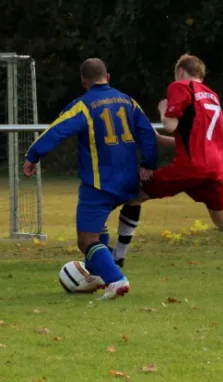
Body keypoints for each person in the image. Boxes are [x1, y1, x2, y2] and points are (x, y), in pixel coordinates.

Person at [114, 54, 223, 293]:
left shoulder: (180, 86)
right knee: (222, 219)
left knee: (134, 196)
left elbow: (171, 125)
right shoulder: (212, 96)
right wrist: (157, 140)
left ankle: (116, 264)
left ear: (181, 71)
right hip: (213, 168)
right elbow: (190, 138)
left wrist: (163, 111)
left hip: (190, 167)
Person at [23, 58, 158, 300]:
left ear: (83, 80)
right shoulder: (128, 101)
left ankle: (116, 279)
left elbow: (57, 129)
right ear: (108, 76)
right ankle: (98, 273)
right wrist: (148, 164)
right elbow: (147, 132)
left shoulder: (84, 105)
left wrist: (33, 155)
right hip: (129, 180)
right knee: (99, 226)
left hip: (100, 183)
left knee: (86, 240)